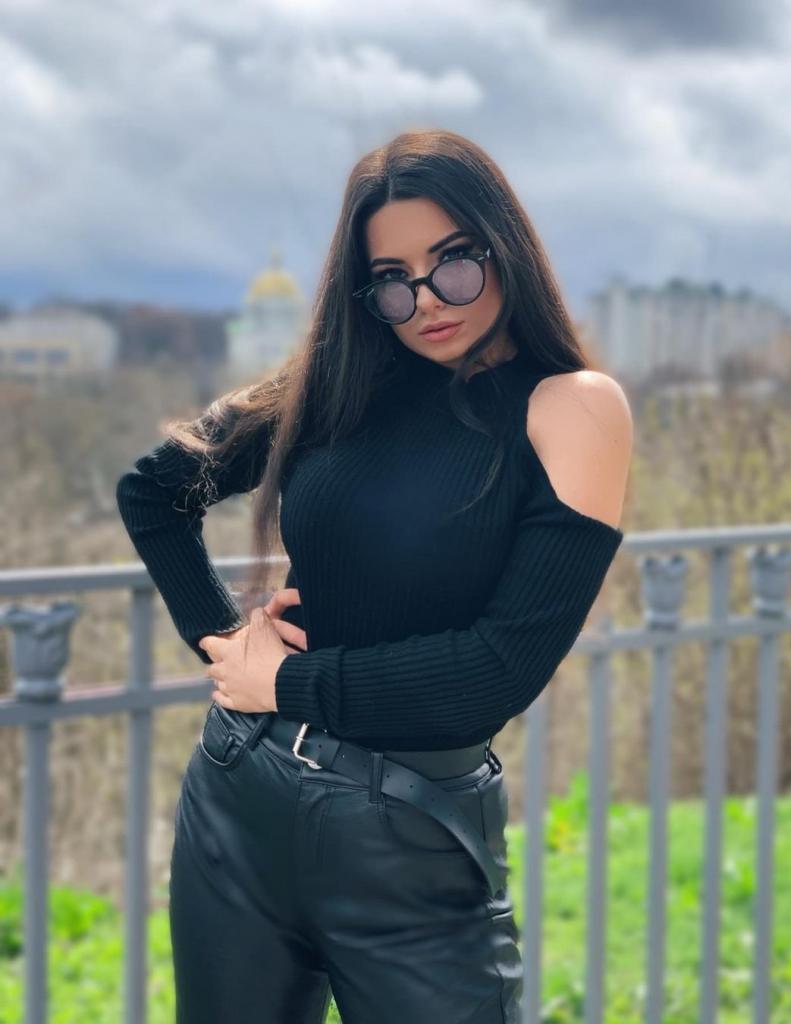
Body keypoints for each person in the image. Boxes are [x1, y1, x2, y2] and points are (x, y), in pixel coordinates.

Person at [116, 127, 632, 1024]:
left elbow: (493, 675)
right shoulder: (336, 384)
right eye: (392, 280)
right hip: (241, 797)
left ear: (503, 244)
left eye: (453, 262)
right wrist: (227, 645)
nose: (426, 301)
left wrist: (285, 681)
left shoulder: (570, 409)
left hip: (412, 833)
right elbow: (154, 490)